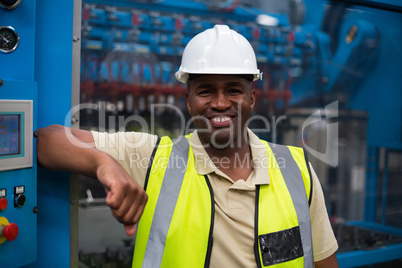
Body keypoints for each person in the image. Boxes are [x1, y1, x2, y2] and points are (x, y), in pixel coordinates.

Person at [37, 25, 339, 267]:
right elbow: (49, 141)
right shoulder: (153, 158)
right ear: (188, 100)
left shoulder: (298, 171)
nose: (220, 103)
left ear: (251, 98)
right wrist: (104, 164)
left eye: (233, 89)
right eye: (206, 90)